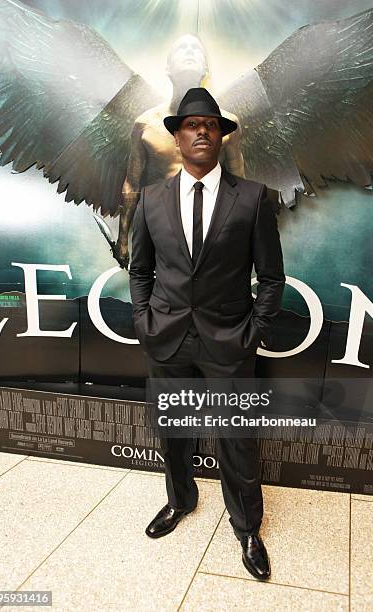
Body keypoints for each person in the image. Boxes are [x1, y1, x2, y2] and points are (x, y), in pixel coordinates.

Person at [129, 87, 285, 581]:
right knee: (173, 432)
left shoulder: (254, 197)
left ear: (221, 136)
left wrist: (253, 332)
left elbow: (272, 276)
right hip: (167, 337)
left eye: (211, 125)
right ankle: (180, 501)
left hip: (229, 341)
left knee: (236, 439)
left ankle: (246, 528)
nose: (201, 131)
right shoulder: (151, 199)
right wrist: (144, 320)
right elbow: (140, 270)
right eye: (191, 125)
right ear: (177, 137)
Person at [114, 34, 243, 269]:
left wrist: (241, 240)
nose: (189, 51)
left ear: (205, 68)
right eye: (181, 48)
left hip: (209, 234)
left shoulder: (227, 125)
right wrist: (123, 239)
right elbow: (131, 184)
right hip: (158, 231)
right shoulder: (145, 124)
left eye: (196, 48)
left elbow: (240, 185)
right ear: (167, 68)